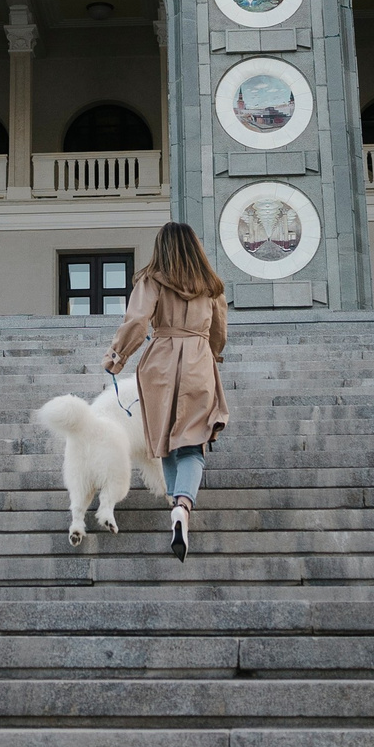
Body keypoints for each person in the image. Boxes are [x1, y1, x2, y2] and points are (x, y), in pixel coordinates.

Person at [103, 220, 229, 560]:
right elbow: (218, 332)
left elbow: (136, 320)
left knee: (166, 440)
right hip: (199, 362)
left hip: (160, 360)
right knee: (193, 439)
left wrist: (117, 357)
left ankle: (177, 501)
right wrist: (211, 354)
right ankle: (183, 505)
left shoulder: (152, 279)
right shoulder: (211, 285)